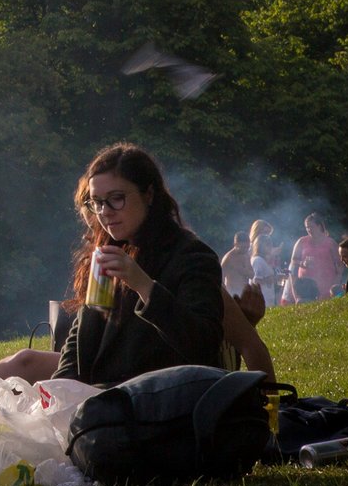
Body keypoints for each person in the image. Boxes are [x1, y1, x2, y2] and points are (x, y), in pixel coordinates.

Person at [54, 144, 225, 387]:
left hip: (160, 404)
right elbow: (80, 341)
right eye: (97, 202)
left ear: (149, 194)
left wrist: (144, 286)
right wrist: (59, 390)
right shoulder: (109, 252)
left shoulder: (191, 255)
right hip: (100, 404)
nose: (105, 212)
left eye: (116, 199)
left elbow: (204, 344)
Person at [288, 214, 341, 304]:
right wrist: (303, 263)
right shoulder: (301, 241)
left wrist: (337, 281)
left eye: (311, 226)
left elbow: (339, 264)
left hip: (326, 282)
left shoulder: (330, 243)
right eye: (307, 227)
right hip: (306, 284)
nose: (309, 230)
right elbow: (293, 260)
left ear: (319, 226)